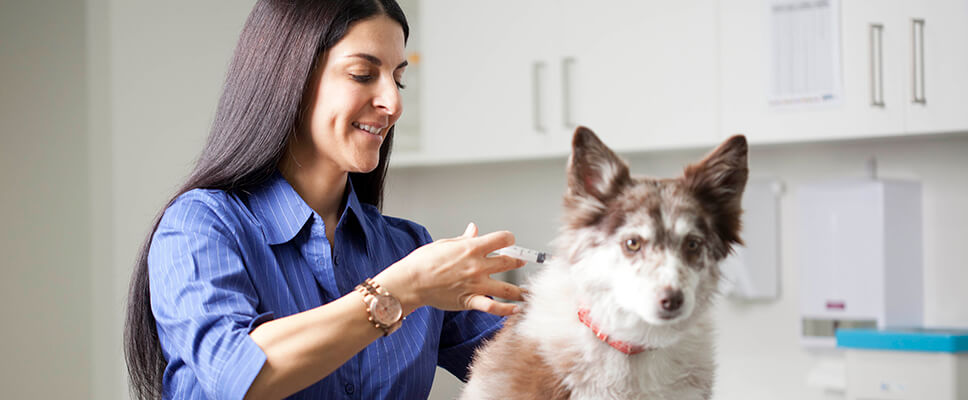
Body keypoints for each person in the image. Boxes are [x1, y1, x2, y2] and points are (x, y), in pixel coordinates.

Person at [123, 1, 527, 399]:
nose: (394, 103)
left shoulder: (407, 248)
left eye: (398, 79)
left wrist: (582, 309)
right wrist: (404, 289)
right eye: (363, 74)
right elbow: (241, 376)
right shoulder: (200, 226)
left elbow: (536, 368)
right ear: (289, 78)